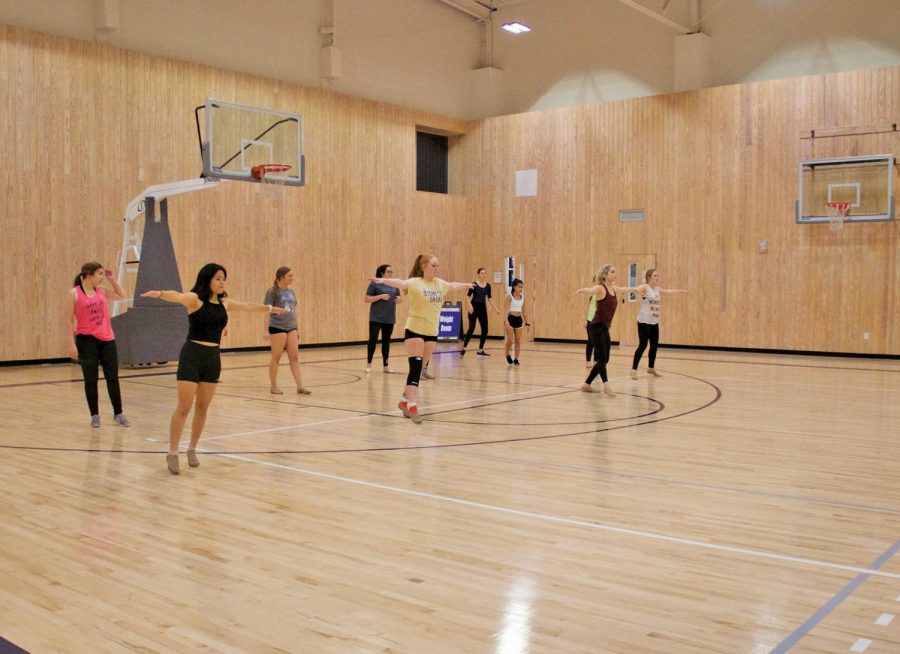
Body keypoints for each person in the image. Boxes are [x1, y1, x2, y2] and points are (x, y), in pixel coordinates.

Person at [141, 263, 288, 474]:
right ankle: (173, 452)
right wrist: (160, 294)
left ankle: (192, 448)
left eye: (223, 278)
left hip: (212, 358)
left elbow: (246, 306)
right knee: (184, 407)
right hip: (192, 355)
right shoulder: (195, 299)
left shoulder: (225, 303)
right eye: (218, 278)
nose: (222, 282)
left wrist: (271, 309)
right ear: (207, 279)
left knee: (202, 407)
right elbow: (177, 296)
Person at [371, 254, 472, 424]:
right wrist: (382, 281)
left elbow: (453, 286)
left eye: (437, 265)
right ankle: (412, 406)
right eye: (433, 265)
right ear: (424, 266)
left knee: (417, 370)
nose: (436, 268)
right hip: (414, 330)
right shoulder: (415, 282)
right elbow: (400, 282)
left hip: (431, 333)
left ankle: (403, 401)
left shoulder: (440, 284)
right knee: (416, 367)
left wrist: (468, 285)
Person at [63, 262, 130, 428]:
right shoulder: (74, 294)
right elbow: (68, 320)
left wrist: (112, 280)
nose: (101, 277)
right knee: (91, 379)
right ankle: (94, 415)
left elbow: (122, 295)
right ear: (88, 274)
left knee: (112, 377)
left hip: (107, 339)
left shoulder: (101, 291)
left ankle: (119, 413)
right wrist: (72, 344)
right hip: (86, 341)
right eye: (99, 274)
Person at [575, 264, 638, 397]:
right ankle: (606, 384)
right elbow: (591, 290)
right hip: (596, 327)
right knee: (602, 358)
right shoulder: (600, 288)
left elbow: (625, 289)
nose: (616, 274)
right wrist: (583, 290)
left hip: (604, 328)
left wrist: (636, 289)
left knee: (606, 358)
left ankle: (586, 384)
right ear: (605, 275)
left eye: (615, 272)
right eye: (613, 272)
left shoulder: (613, 288)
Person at [630, 268, 687, 379]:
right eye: (655, 275)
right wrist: (638, 291)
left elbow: (668, 292)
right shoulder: (645, 287)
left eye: (658, 275)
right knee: (643, 345)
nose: (657, 278)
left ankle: (651, 368)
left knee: (654, 345)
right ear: (649, 277)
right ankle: (633, 369)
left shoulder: (657, 289)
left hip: (654, 321)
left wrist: (680, 291)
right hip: (643, 321)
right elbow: (636, 289)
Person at [263, 266, 311, 394]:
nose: (292, 278)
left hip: (291, 327)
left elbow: (294, 311)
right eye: (290, 276)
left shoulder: (291, 292)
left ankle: (300, 386)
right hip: (277, 327)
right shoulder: (272, 292)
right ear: (282, 277)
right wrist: (265, 330)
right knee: (276, 357)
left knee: (294, 357)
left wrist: (297, 327)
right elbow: (266, 311)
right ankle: (273, 386)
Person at [364, 264, 402, 373]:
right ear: (382, 273)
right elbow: (367, 299)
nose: (390, 274)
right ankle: (369, 364)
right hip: (376, 318)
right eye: (388, 271)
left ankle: (386, 366)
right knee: (373, 340)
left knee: (386, 342)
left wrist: (399, 299)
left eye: (391, 272)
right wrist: (380, 297)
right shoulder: (374, 284)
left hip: (389, 318)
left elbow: (399, 298)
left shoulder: (394, 285)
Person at [460, 267, 500, 357]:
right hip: (473, 308)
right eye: (482, 273)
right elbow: (467, 297)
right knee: (471, 328)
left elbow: (490, 299)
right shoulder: (474, 284)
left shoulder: (488, 286)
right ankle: (463, 348)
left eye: (485, 273)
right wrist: (469, 306)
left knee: (485, 330)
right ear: (478, 274)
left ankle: (480, 350)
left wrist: (496, 309)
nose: (483, 275)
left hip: (482, 309)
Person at [503, 279, 532, 366]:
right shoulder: (509, 296)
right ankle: (507, 354)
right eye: (519, 287)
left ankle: (516, 359)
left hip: (519, 320)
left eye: (522, 287)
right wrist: (506, 320)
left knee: (518, 340)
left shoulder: (522, 298)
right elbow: (505, 309)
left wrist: (527, 323)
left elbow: (524, 311)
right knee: (510, 340)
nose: (521, 288)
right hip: (510, 319)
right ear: (514, 287)